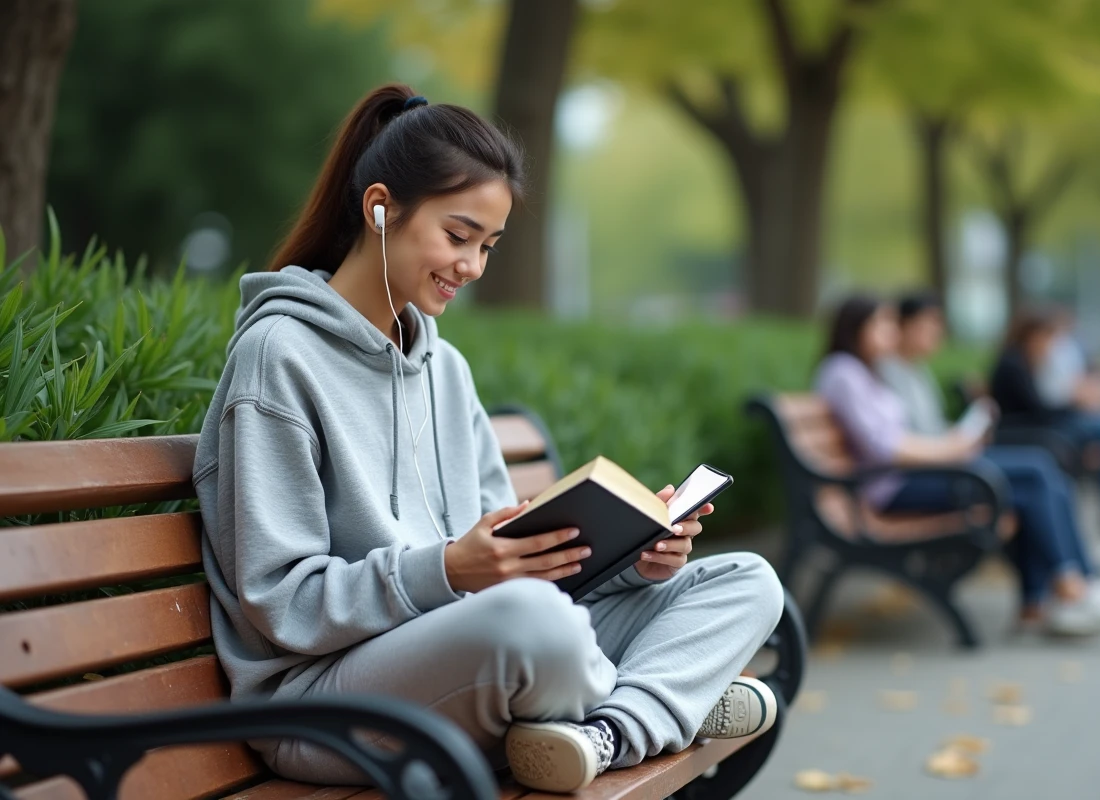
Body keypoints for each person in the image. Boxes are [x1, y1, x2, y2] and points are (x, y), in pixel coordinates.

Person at [193, 84, 784, 794]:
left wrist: (634, 560)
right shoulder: (279, 357)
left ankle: (609, 729)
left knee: (746, 580)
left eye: (488, 246)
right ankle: (664, 704)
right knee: (533, 622)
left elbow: (517, 566)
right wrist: (446, 571)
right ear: (379, 207)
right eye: (458, 236)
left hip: (476, 655)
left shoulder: (445, 369)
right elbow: (282, 602)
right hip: (323, 701)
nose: (472, 267)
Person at [816, 294, 1100, 636]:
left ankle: (1062, 590)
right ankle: (1072, 589)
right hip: (894, 486)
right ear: (855, 328)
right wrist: (950, 448)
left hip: (914, 474)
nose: (891, 331)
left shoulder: (864, 373)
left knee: (1037, 475)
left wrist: (956, 441)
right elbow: (885, 446)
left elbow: (899, 436)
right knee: (1033, 475)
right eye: (882, 324)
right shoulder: (844, 373)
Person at [991, 309, 1100, 529]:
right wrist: (1075, 403)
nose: (1049, 345)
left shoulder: (1022, 361)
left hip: (1042, 428)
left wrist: (1080, 401)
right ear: (1030, 335)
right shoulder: (1014, 364)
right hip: (1035, 431)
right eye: (1045, 337)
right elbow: (1038, 410)